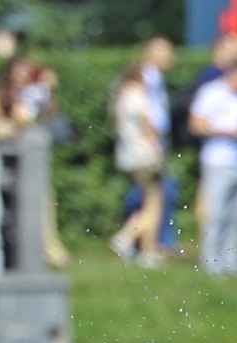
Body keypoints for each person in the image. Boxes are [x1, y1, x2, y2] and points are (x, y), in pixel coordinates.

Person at [189, 59, 237, 277]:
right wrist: (226, 132)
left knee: (235, 215)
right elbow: (196, 125)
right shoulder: (211, 93)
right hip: (218, 161)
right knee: (216, 212)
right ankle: (211, 260)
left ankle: (231, 260)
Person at [108, 40, 171, 265]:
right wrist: (157, 149)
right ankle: (129, 239)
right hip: (144, 155)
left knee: (148, 201)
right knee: (154, 203)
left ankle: (144, 247)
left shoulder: (121, 99)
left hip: (129, 155)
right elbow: (149, 127)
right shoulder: (137, 97)